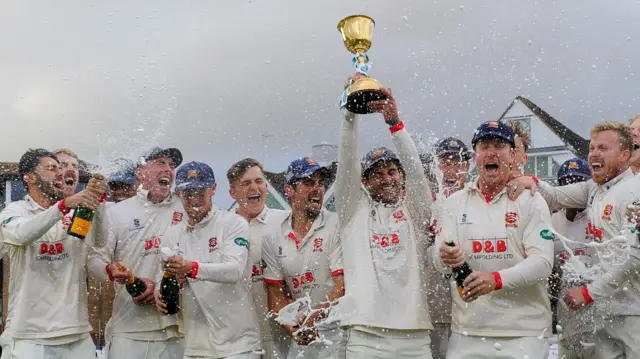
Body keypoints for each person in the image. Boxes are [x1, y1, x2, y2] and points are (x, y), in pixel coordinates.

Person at [510, 121, 640, 359]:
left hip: (634, 313)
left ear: (624, 155)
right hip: (607, 310)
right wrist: (533, 182)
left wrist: (588, 292)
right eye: (591, 148)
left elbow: (634, 259)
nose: (594, 154)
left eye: (603, 148)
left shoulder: (635, 192)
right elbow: (556, 196)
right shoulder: (594, 188)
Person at [435, 121, 554, 359]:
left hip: (523, 334)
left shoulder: (530, 200)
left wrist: (496, 279)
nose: (491, 152)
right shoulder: (454, 203)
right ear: (475, 156)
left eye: (499, 145)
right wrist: (443, 256)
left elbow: (543, 263)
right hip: (467, 332)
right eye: (484, 146)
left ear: (512, 155)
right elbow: (439, 264)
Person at [335, 73, 434, 358]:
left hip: (414, 338)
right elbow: (348, 162)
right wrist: (349, 116)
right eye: (376, 174)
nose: (386, 178)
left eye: (392, 171)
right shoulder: (353, 211)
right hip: (365, 336)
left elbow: (416, 171)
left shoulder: (415, 210)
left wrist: (394, 122)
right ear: (364, 182)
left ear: (401, 176)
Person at [0, 148, 106, 359]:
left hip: (77, 334)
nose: (60, 172)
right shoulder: (15, 211)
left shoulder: (77, 213)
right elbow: (21, 235)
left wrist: (97, 200)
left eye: (61, 168)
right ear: (29, 177)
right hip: (29, 336)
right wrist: (63, 206)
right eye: (51, 168)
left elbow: (100, 242)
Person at [87, 147, 185, 359]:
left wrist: (163, 286)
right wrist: (112, 272)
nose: (168, 169)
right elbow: (94, 260)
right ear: (140, 173)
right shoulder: (117, 213)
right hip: (129, 329)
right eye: (160, 162)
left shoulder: (185, 208)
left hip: (178, 327)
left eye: (172, 165)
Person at [156, 161, 261, 359]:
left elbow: (233, 271)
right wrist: (158, 293)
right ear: (178, 193)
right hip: (196, 346)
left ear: (213, 189)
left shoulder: (233, 223)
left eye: (199, 191)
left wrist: (191, 268)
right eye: (188, 193)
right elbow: (164, 277)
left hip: (239, 344)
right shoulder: (172, 234)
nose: (194, 198)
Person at [262, 157, 345, 359]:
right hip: (303, 337)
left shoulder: (335, 224)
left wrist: (315, 317)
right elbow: (275, 292)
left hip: (339, 334)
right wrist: (292, 326)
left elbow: (342, 286)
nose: (317, 189)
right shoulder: (273, 236)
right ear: (289, 190)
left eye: (320, 183)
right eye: (308, 183)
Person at [227, 158, 291, 359]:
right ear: (232, 192)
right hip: (239, 337)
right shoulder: (224, 228)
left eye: (259, 181)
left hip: (282, 331)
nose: (254, 187)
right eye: (246, 183)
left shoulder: (285, 220)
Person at [424, 137, 471, 359]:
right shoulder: (425, 205)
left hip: (470, 313)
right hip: (432, 311)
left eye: (457, 162)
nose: (451, 170)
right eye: (444, 162)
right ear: (435, 166)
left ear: (467, 167)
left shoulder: (477, 202)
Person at [550, 158, 596, 359]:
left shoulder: (596, 218)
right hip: (563, 306)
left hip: (594, 304)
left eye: (578, 182)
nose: (572, 188)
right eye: (567, 182)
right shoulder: (550, 221)